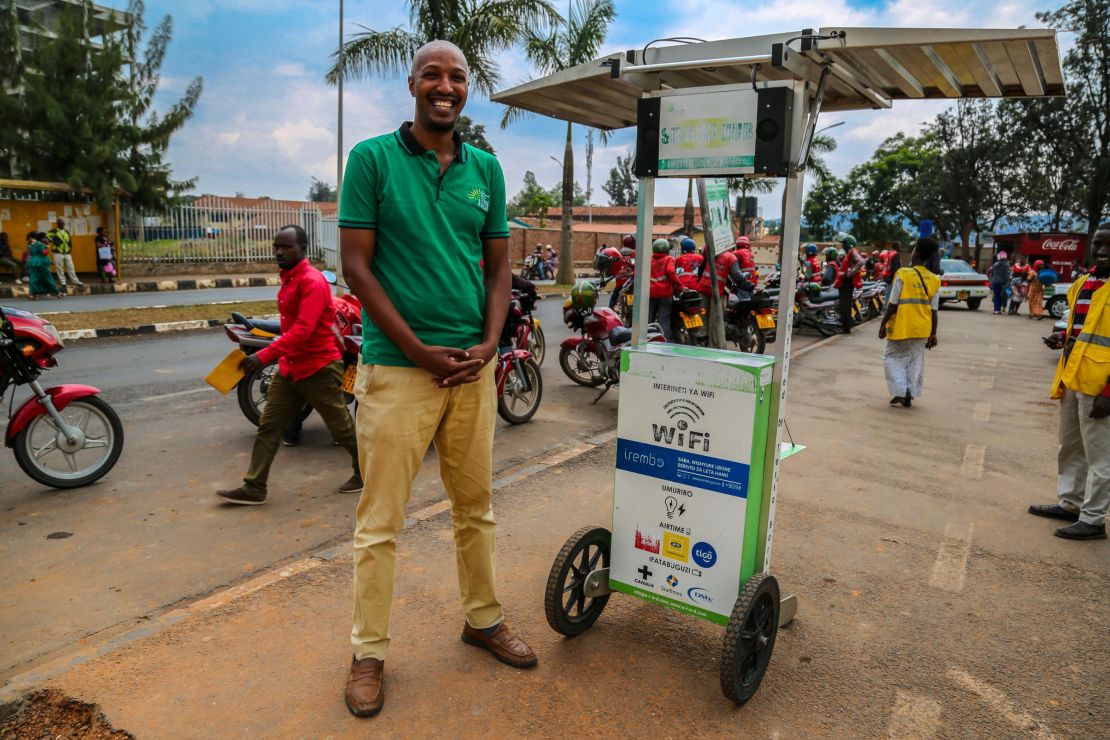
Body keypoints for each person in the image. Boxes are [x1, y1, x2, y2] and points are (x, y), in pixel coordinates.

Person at [337, 40, 536, 718]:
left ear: (466, 87)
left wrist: (488, 342)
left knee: (474, 509)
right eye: (432, 75)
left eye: (456, 77)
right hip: (399, 372)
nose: (444, 86)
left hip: (471, 374)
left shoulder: (486, 169)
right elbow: (357, 269)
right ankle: (369, 653)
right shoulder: (372, 160)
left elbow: (499, 269)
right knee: (379, 523)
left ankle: (482, 620)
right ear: (413, 84)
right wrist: (421, 352)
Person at [215, 225, 362, 506]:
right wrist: (276, 358)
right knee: (269, 427)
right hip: (290, 367)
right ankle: (254, 486)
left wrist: (263, 356)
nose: (279, 252)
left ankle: (366, 472)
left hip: (319, 367)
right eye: (277, 246)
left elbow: (303, 330)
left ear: (303, 249)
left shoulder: (312, 281)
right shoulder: (289, 278)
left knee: (341, 428)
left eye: (286, 247)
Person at [1030, 222, 1110, 540]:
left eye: (1108, 246)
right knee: (1071, 447)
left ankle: (1093, 519)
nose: (1101, 251)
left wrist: (1108, 391)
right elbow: (1083, 329)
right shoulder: (1083, 283)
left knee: (1100, 456)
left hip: (1099, 386)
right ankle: (1071, 503)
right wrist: (1062, 337)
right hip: (1072, 378)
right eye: (1097, 244)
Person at [878, 238, 940, 407]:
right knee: (913, 360)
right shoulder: (935, 279)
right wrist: (933, 334)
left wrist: (883, 324)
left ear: (917, 253)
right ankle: (909, 394)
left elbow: (892, 304)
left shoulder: (903, 274)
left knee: (891, 357)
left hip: (902, 326)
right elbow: (934, 312)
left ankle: (901, 390)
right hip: (923, 329)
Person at [649, 238, 683, 341]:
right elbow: (670, 272)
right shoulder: (669, 259)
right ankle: (665, 341)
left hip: (651, 293)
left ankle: (648, 339)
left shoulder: (649, 259)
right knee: (664, 319)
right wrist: (680, 285)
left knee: (649, 319)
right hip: (665, 294)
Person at [834, 232, 866, 334]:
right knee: (845, 305)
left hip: (847, 282)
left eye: (844, 243)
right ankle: (847, 325)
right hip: (844, 282)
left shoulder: (852, 251)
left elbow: (860, 261)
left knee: (845, 305)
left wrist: (851, 273)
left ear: (848, 243)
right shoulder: (849, 253)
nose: (842, 245)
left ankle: (846, 328)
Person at [24, 232, 60, 300]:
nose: (47, 238)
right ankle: (57, 293)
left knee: (34, 278)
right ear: (42, 238)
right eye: (45, 237)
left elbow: (31, 253)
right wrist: (47, 246)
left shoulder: (33, 244)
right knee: (48, 277)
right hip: (41, 263)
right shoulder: (41, 244)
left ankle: (32, 294)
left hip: (34, 263)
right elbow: (44, 253)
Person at [48, 218, 81, 291]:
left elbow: (69, 241)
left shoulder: (66, 232)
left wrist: (69, 249)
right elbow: (47, 238)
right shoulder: (53, 231)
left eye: (63, 223)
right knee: (59, 268)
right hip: (57, 252)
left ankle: (75, 281)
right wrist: (54, 242)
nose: (62, 224)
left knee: (71, 267)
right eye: (60, 223)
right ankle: (63, 283)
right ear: (57, 224)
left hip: (67, 252)